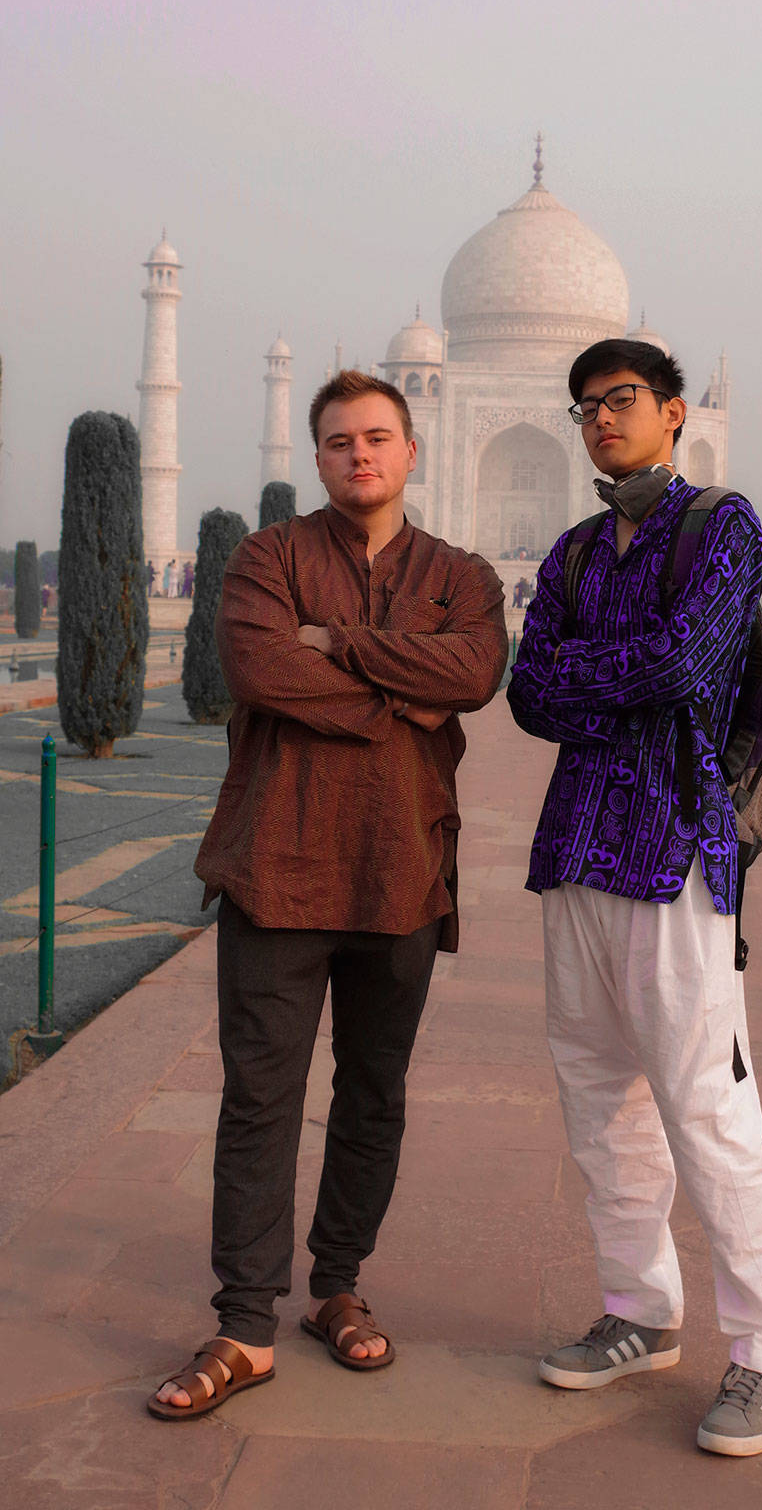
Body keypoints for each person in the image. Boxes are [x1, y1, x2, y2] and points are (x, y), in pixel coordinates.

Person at [149, 370, 508, 1421]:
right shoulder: (268, 557)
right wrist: (402, 692)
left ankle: (337, 1285)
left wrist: (341, 645)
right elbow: (261, 671)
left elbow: (477, 672)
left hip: (400, 866)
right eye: (341, 440)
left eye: (379, 438)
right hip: (280, 861)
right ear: (317, 457)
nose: (361, 454)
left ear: (412, 450)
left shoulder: (461, 572)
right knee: (260, 1098)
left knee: (372, 1092)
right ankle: (244, 1324)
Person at [508, 338, 762, 1460]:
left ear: (675, 411)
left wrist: (598, 674)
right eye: (583, 406)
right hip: (576, 849)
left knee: (705, 1111)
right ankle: (640, 1310)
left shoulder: (718, 525)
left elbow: (687, 668)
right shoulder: (578, 548)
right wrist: (611, 677)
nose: (599, 419)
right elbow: (527, 692)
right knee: (599, 1104)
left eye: (619, 400)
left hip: (677, 851)